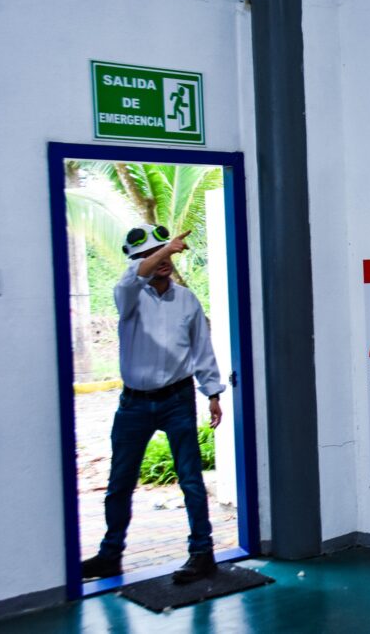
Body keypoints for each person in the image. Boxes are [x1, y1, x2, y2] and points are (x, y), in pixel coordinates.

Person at [81, 224, 225, 585]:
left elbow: (202, 351)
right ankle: (110, 556)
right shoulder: (129, 295)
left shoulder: (187, 301)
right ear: (137, 261)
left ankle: (202, 552)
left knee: (191, 479)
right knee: (120, 482)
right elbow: (134, 277)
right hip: (134, 404)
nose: (161, 259)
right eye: (149, 255)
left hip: (177, 400)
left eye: (162, 252)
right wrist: (167, 248)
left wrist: (213, 394)